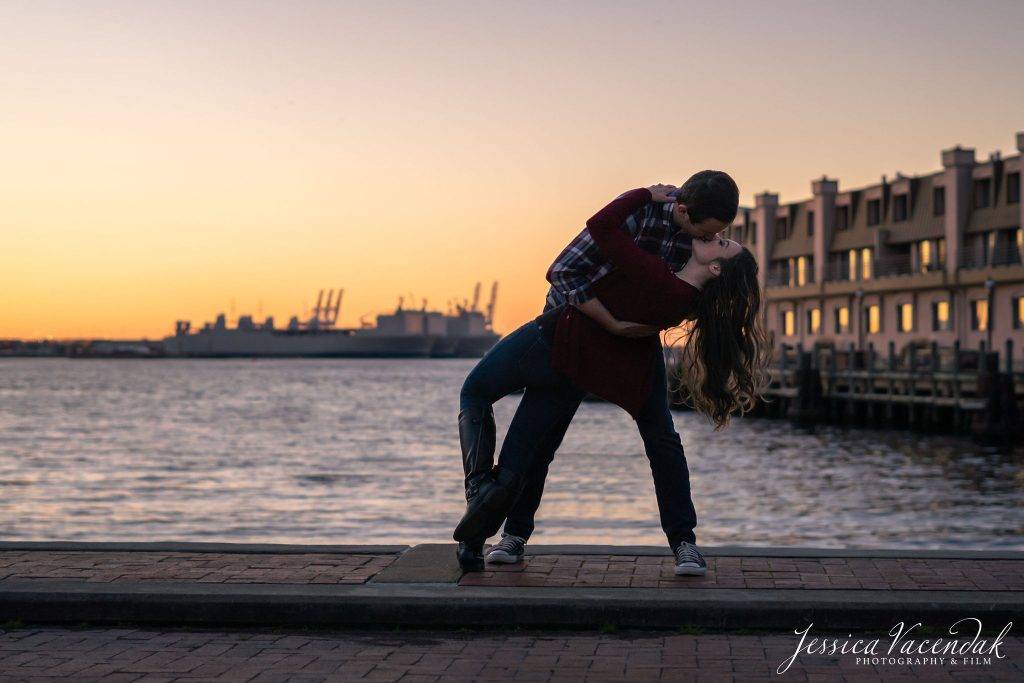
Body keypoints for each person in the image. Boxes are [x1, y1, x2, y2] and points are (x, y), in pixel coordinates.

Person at [453, 178, 770, 575]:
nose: (714, 237)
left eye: (719, 236)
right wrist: (614, 320)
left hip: (623, 346)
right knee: (536, 444)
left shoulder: (687, 257)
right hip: (575, 332)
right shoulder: (643, 220)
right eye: (710, 232)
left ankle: (684, 543)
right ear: (685, 211)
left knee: (661, 439)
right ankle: (506, 533)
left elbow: (683, 291)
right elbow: (564, 271)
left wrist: (623, 325)